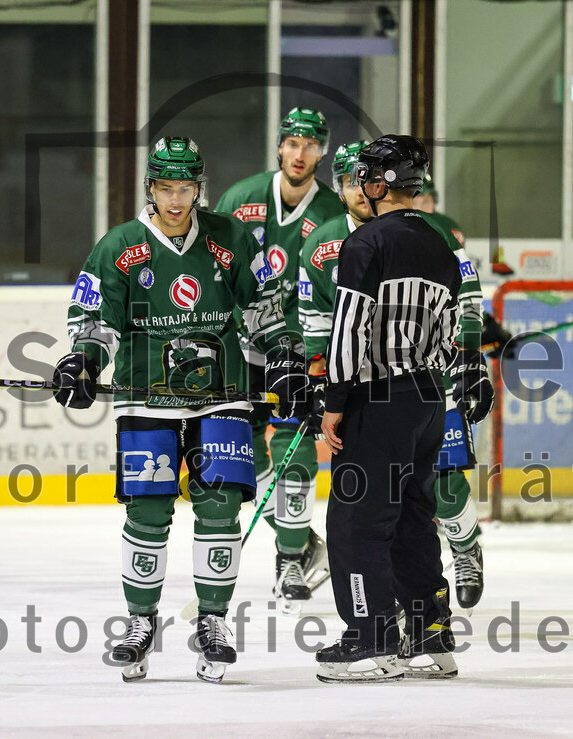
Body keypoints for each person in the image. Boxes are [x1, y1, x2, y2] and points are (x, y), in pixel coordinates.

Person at [54, 137, 309, 683]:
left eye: (185, 188)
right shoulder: (120, 245)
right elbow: (96, 320)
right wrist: (83, 361)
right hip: (147, 397)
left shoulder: (230, 237)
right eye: (165, 188)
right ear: (150, 188)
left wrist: (285, 356)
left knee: (220, 508)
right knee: (147, 513)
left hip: (223, 394)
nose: (175, 199)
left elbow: (265, 307)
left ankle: (213, 623)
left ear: (200, 188)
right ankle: (139, 624)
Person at [316, 135, 494, 683]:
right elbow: (450, 331)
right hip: (426, 400)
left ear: (381, 184)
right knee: (414, 515)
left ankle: (368, 640)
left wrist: (334, 402)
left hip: (376, 398)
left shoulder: (366, 243)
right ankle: (430, 636)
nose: (362, 184)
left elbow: (349, 329)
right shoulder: (439, 244)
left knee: (357, 520)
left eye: (368, 175)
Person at [214, 107, 345, 614]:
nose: (300, 153)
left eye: (310, 145)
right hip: (242, 346)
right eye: (292, 143)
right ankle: (303, 539)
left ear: (322, 152)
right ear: (279, 147)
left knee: (296, 453)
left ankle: (289, 558)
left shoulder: (333, 209)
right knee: (239, 455)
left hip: (298, 351)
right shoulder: (240, 197)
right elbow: (214, 266)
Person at [411, 173, 489, 610]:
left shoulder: (441, 232)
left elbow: (468, 292)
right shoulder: (353, 237)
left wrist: (472, 350)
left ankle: (465, 548)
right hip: (384, 378)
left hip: (437, 371)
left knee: (444, 482)